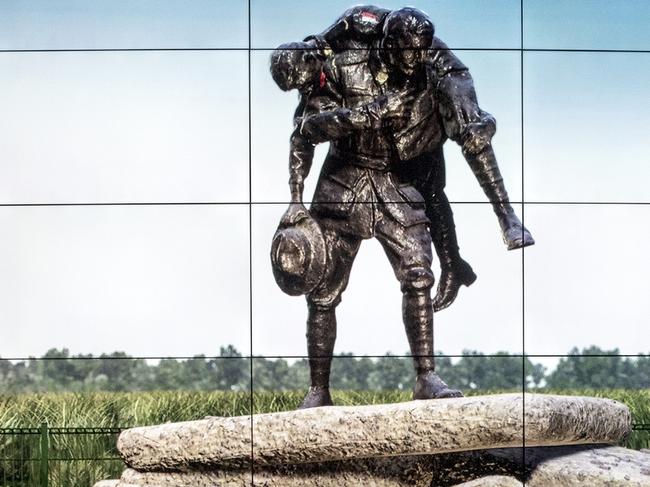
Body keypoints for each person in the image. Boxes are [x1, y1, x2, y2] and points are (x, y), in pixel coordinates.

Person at [273, 5, 533, 312]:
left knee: (471, 132)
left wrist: (478, 121)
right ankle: (453, 265)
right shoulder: (331, 67)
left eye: (304, 83)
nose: (305, 91)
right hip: (398, 133)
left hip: (428, 69)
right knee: (426, 184)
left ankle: (506, 217)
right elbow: (305, 126)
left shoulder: (358, 26)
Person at [270, 14, 463, 410]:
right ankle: (318, 389)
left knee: (418, 276)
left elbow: (440, 138)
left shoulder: (424, 75)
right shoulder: (341, 65)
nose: (409, 59)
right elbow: (307, 128)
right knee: (323, 291)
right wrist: (360, 117)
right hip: (343, 184)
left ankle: (426, 377)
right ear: (386, 43)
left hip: (397, 184)